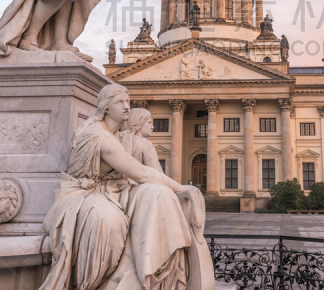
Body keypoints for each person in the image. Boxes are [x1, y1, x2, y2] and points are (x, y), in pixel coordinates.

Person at [39, 84, 207, 290]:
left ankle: (157, 274)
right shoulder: (99, 136)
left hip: (114, 190)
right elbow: (140, 172)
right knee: (110, 220)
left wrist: (172, 190)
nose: (127, 107)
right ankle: (96, 284)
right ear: (106, 107)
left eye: (128, 102)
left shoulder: (120, 136)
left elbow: (139, 175)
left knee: (159, 193)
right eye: (121, 102)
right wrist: (181, 188)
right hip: (84, 194)